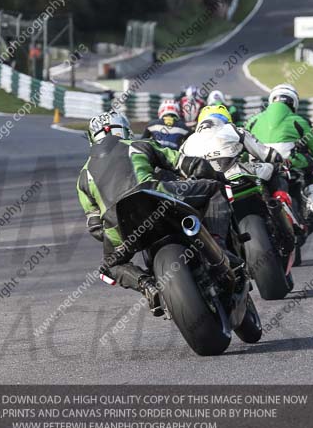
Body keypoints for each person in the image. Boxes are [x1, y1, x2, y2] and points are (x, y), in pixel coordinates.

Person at [76, 111, 235, 314]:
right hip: (155, 196)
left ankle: (147, 285)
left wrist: (115, 232)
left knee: (109, 267)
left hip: (118, 223)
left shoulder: (83, 176)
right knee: (213, 189)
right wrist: (215, 175)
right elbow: (187, 163)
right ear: (125, 129)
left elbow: (96, 228)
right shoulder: (139, 145)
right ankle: (218, 246)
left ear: (92, 138)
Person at [244, 84, 313, 229]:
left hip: (256, 166)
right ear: (294, 103)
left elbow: (243, 147)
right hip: (287, 163)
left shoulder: (252, 121)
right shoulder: (299, 121)